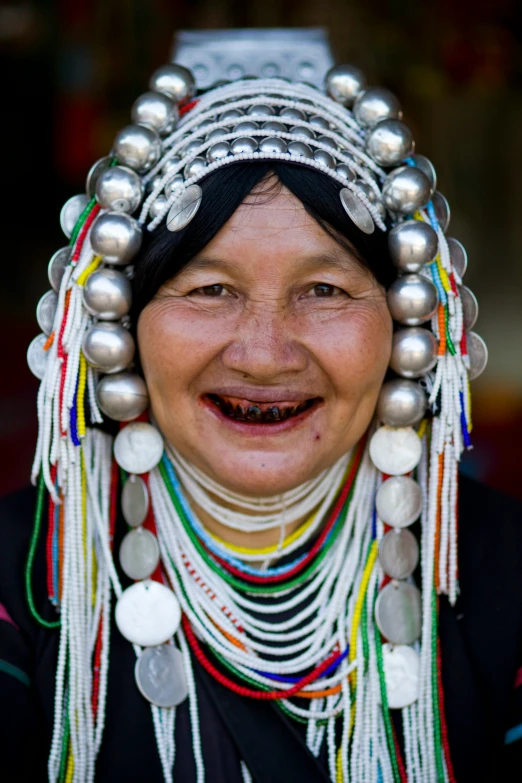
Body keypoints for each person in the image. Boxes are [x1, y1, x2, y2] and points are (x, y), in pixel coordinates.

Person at [1, 51, 521, 783]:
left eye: (326, 290)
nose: (265, 353)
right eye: (210, 289)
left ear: (408, 325)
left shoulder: (503, 573)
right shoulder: (24, 581)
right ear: (121, 321)